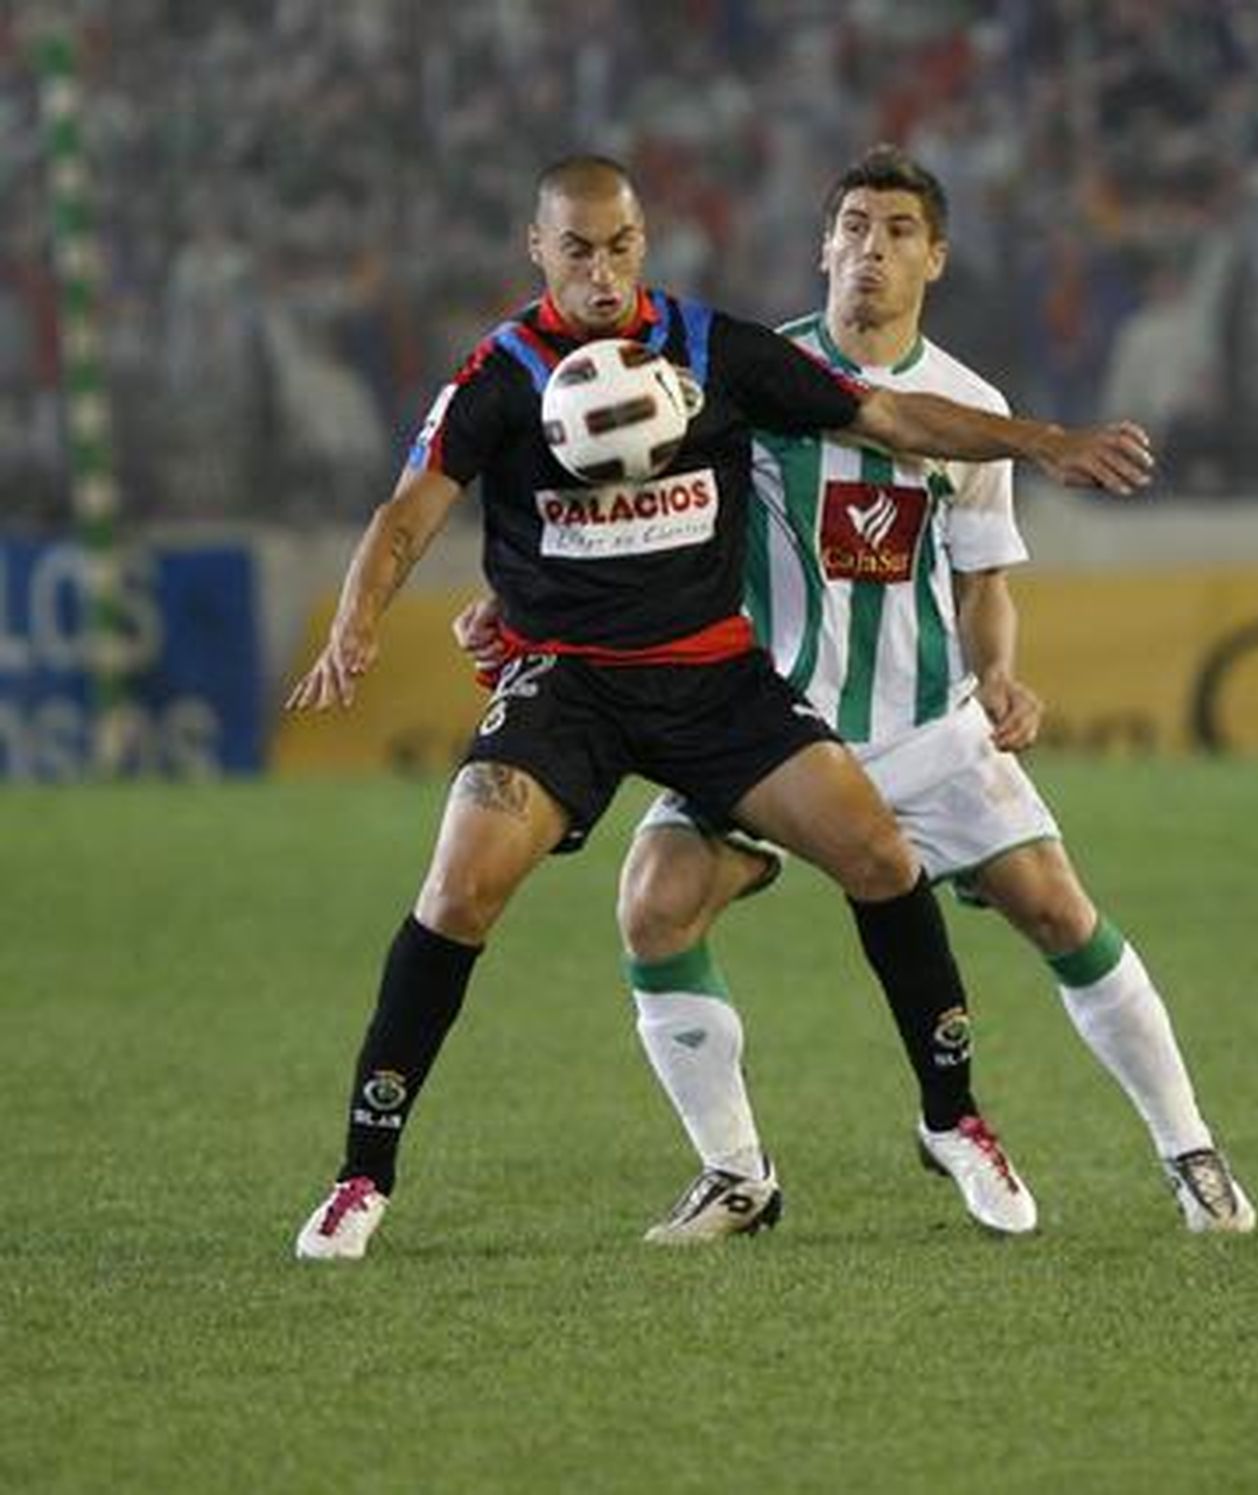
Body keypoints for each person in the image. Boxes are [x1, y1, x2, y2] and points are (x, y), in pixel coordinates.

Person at [288, 153, 1156, 1260]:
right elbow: (408, 512)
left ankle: (952, 1119)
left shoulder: (712, 350)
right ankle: (362, 1178)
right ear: (537, 249)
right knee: (458, 890)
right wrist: (359, 618)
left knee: (879, 856)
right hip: (567, 682)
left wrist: (1045, 443)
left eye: (621, 247)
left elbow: (890, 415)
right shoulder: (499, 372)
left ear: (642, 241)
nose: (603, 274)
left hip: (713, 676)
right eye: (577, 251)